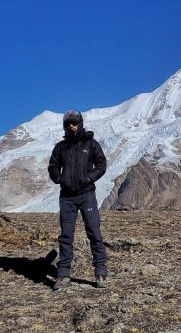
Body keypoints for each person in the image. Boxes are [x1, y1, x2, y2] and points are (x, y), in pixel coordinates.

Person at [48, 110, 108, 290]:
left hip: (87, 194)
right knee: (66, 236)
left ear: (80, 123)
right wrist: (59, 179)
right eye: (68, 124)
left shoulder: (90, 143)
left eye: (74, 123)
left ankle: (100, 273)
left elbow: (101, 164)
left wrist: (89, 178)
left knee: (94, 233)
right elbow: (53, 166)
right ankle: (63, 275)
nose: (71, 126)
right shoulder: (61, 147)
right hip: (67, 197)